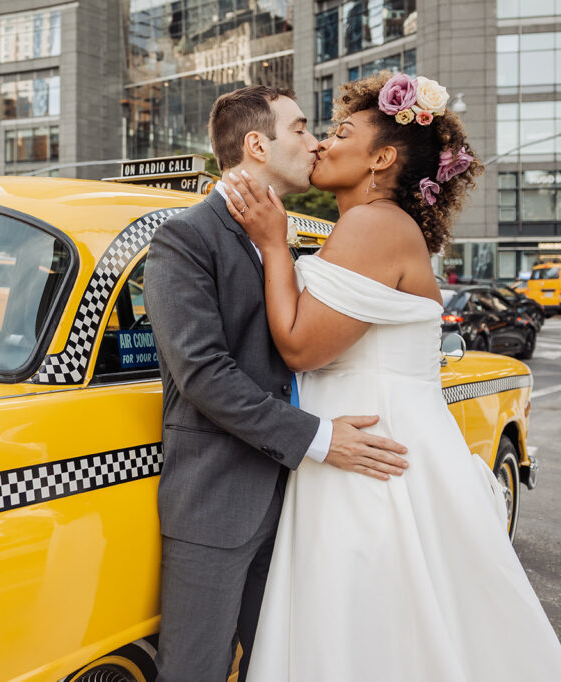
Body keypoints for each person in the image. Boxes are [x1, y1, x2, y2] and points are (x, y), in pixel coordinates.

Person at [223, 72, 561, 680]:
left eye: (340, 132)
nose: (323, 144)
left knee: (368, 626)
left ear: (381, 158)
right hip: (365, 446)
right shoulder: (366, 226)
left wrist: (274, 246)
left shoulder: (373, 224)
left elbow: (300, 347)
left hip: (375, 463)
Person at [143, 86, 411, 682]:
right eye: (300, 129)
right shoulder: (184, 239)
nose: (315, 142)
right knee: (196, 671)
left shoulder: (281, 237)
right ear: (257, 144)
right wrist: (319, 438)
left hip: (299, 501)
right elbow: (202, 373)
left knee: (285, 665)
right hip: (218, 504)